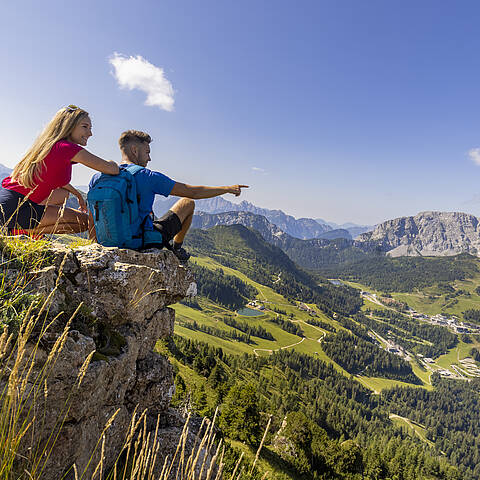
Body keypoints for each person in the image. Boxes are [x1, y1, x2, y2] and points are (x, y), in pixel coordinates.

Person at [89, 130, 248, 261]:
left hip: (107, 241)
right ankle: (177, 249)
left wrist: (95, 248)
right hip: (141, 242)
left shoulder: (98, 177)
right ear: (134, 150)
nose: (149, 158)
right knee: (187, 202)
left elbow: (93, 216)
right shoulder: (148, 176)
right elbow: (193, 192)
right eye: (147, 152)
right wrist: (227, 188)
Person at [0, 105, 119, 236]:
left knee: (63, 194)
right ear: (69, 125)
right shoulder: (67, 148)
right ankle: (20, 231)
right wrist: (116, 163)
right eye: (85, 127)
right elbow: (111, 169)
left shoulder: (50, 146)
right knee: (84, 222)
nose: (90, 133)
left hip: (7, 202)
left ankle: (20, 228)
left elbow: (53, 178)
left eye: (90, 128)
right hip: (16, 209)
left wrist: (78, 195)